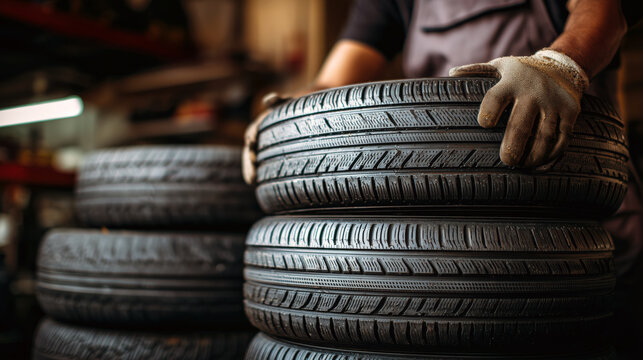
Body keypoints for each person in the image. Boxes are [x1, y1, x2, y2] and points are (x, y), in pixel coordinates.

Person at [244, 0, 643, 352]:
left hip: (578, 242)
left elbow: (603, 13)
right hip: (433, 250)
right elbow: (336, 78)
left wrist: (562, 64)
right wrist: (292, 121)